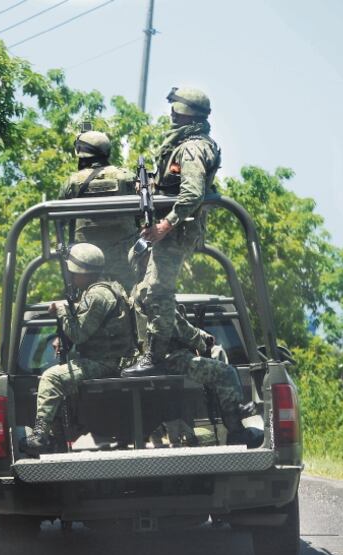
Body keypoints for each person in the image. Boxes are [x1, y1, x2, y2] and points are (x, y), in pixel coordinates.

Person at [123, 86, 222, 377]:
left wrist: (165, 225)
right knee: (143, 292)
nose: (171, 113)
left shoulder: (192, 147)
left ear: (188, 112)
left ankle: (155, 355)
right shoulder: (186, 143)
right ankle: (197, 340)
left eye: (176, 108)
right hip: (172, 230)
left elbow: (191, 194)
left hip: (177, 231)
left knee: (156, 292)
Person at [25, 243, 135, 453]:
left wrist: (62, 311)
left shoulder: (97, 295)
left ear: (84, 273)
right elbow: (88, 316)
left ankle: (40, 436)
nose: (72, 277)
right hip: (110, 359)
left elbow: (78, 334)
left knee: (51, 378)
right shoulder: (106, 289)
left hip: (105, 363)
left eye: (74, 272)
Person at [59, 130, 138, 292]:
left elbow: (59, 220)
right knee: (130, 301)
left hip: (84, 263)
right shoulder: (127, 177)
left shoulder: (73, 182)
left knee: (86, 303)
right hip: (124, 258)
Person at [160, 320, 262, 447]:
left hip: (163, 357)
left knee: (220, 363)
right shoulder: (162, 301)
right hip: (169, 357)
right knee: (226, 373)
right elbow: (182, 328)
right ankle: (235, 428)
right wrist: (203, 340)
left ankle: (233, 415)